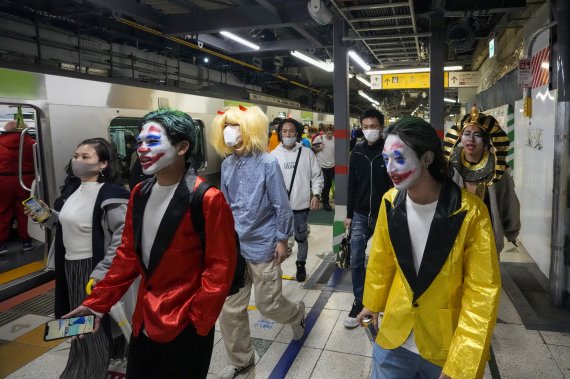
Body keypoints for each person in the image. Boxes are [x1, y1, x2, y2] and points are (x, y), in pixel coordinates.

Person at [65, 108, 237, 379]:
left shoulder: (207, 198)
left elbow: (220, 269)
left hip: (185, 323)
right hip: (143, 318)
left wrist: (198, 322)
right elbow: (128, 255)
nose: (142, 149)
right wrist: (97, 303)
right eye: (139, 142)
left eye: (153, 142)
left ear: (182, 147)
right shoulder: (139, 193)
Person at [358, 116, 501, 379]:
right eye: (386, 159)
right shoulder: (390, 201)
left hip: (444, 345)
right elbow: (382, 258)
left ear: (427, 158)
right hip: (394, 338)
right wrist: (371, 303)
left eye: (398, 158)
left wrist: (461, 363)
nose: (390, 168)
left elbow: (481, 292)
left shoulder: (470, 213)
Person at [210, 105, 306, 379]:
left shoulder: (267, 163)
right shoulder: (227, 164)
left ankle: (297, 313)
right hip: (235, 248)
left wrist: (282, 239)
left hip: (264, 244)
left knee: (268, 304)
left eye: (236, 126)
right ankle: (241, 361)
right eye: (227, 126)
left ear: (249, 129)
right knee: (231, 309)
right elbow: (226, 205)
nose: (230, 132)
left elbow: (281, 205)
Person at [27, 137, 129, 379]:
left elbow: (122, 237)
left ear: (103, 164)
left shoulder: (112, 195)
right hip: (71, 267)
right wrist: (45, 215)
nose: (77, 161)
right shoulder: (72, 192)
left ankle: (85, 372)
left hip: (93, 268)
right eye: (76, 156)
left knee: (90, 326)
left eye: (85, 157)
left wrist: (102, 271)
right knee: (80, 323)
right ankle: (102, 360)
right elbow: (64, 223)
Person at [444, 105, 521, 255]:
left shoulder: (498, 172)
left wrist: (512, 232)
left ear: (486, 140)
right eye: (466, 133)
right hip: (455, 238)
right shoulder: (449, 168)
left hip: (487, 240)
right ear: (460, 137)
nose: (470, 139)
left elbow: (509, 204)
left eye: (477, 135)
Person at [343, 108, 392, 328]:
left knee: (382, 260)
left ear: (381, 127)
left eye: (373, 126)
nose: (369, 131)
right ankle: (359, 301)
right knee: (356, 258)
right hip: (361, 213)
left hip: (385, 213)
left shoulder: (390, 150)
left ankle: (382, 301)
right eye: (365, 127)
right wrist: (348, 214)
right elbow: (351, 185)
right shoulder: (357, 152)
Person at [271, 117, 323, 282]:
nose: (288, 134)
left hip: (300, 205)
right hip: (278, 208)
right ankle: (275, 266)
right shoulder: (272, 156)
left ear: (298, 133)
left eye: (291, 131)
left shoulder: (306, 153)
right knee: (278, 238)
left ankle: (301, 264)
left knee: (301, 237)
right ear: (280, 133)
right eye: (284, 131)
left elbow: (317, 176)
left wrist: (316, 194)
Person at [0, 121, 35, 254]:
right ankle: (27, 241)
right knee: (26, 210)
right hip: (26, 180)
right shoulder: (32, 143)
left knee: (2, 211)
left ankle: (1, 244)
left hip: (3, 180)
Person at [312, 124, 335, 211]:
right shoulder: (319, 138)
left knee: (328, 184)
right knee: (324, 184)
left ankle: (324, 199)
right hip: (321, 165)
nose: (330, 135)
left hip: (332, 165)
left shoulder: (335, 139)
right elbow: (312, 149)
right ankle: (325, 202)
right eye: (328, 133)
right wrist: (319, 148)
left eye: (331, 133)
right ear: (325, 132)